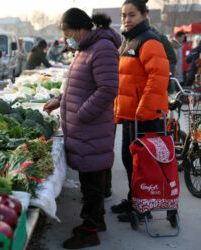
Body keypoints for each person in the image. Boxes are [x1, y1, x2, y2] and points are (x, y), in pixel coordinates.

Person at [43, 8, 120, 249]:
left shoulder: (102, 48)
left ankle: (90, 232)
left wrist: (81, 112)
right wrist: (61, 99)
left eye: (66, 32)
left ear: (78, 29)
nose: (66, 37)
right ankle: (97, 222)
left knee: (93, 183)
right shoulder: (85, 49)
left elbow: (107, 88)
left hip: (91, 127)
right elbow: (81, 84)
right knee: (90, 181)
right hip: (86, 128)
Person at [112, 0, 170, 222]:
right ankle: (134, 200)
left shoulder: (149, 41)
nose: (127, 19)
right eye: (124, 15)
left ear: (144, 15)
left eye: (132, 15)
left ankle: (142, 207)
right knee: (129, 160)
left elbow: (158, 79)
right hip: (131, 116)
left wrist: (143, 110)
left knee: (142, 165)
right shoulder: (127, 41)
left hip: (144, 117)